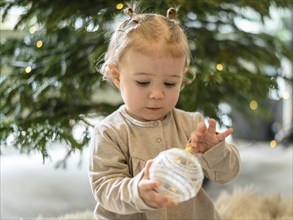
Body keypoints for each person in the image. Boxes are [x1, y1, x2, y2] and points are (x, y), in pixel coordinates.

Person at [89, 3, 241, 220]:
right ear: (116, 76)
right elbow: (104, 188)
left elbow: (227, 174)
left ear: (182, 75)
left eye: (170, 83)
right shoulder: (110, 132)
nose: (157, 94)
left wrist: (214, 151)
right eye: (143, 82)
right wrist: (137, 190)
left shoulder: (193, 125)